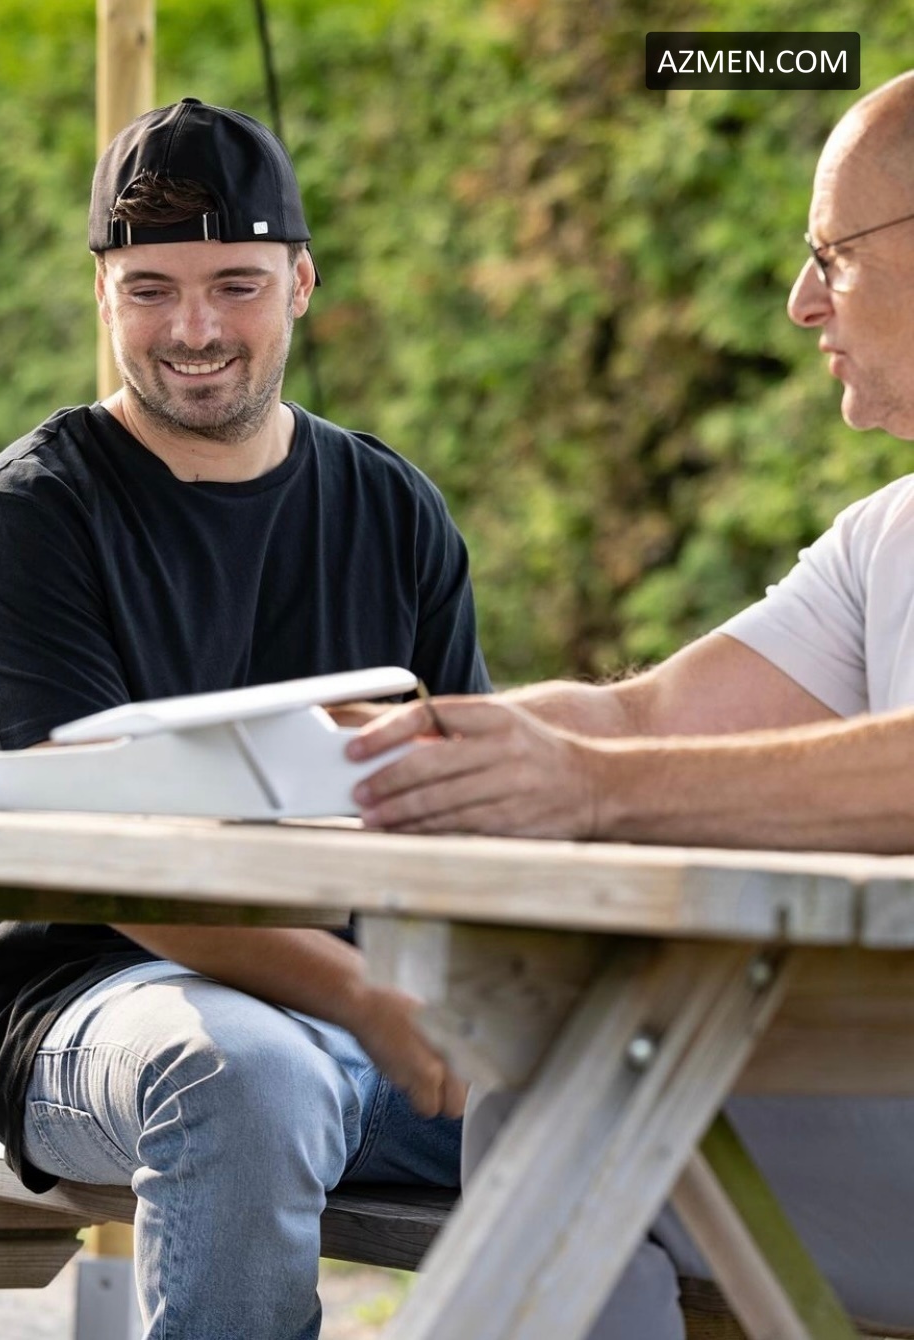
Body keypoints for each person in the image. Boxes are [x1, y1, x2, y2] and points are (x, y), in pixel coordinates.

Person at [348, 70, 914, 1337]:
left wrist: (594, 791)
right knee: (566, 1088)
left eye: (833, 252)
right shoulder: (889, 533)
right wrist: (411, 739)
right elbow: (652, 718)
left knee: (577, 1100)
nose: (801, 298)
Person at [0, 97, 488, 1340]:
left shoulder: (393, 507)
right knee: (248, 1074)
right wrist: (362, 996)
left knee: (665, 1090)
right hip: (97, 1001)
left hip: (375, 1012)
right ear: (102, 294)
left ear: (302, 282)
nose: (194, 330)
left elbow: (473, 807)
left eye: (236, 284)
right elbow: (93, 853)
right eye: (150, 289)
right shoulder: (22, 522)